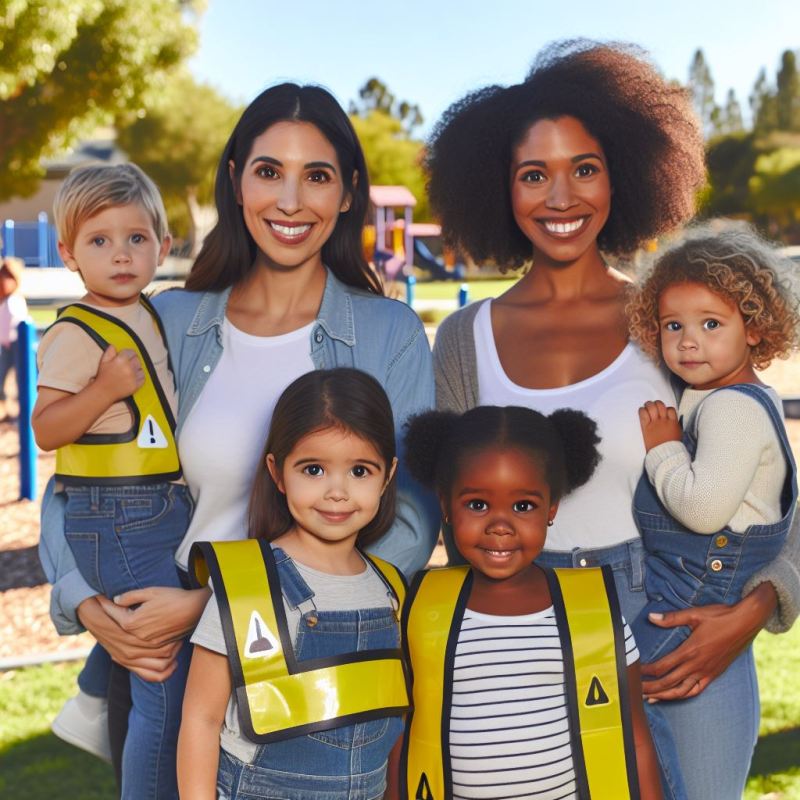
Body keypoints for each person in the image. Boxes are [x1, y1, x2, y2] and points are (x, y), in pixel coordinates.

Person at [38, 82, 438, 791]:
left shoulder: (389, 333)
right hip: (161, 660)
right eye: (267, 171)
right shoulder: (170, 321)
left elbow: (407, 524)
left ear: (347, 193)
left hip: (311, 684)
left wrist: (219, 606)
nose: (289, 200)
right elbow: (80, 478)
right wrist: (88, 603)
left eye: (316, 175)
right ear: (235, 181)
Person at [428, 40, 800, 800]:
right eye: (534, 174)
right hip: (513, 631)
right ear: (500, 190)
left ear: (622, 175)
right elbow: (438, 506)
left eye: (585, 169)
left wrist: (758, 608)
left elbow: (778, 487)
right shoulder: (463, 343)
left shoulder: (674, 327)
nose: (561, 197)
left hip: (672, 628)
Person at [393, 405, 661, 800]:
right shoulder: (421, 613)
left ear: (551, 507)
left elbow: (634, 738)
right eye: (477, 504)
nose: (500, 524)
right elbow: (401, 738)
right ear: (446, 504)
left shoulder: (592, 614)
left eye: (523, 506)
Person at [33, 163, 192, 795]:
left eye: (135, 239)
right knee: (162, 671)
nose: (120, 255)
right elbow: (46, 429)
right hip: (121, 511)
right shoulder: (77, 333)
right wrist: (103, 388)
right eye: (99, 241)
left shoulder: (151, 313)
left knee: (147, 624)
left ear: (163, 246)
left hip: (156, 506)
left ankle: (92, 698)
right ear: (69, 252)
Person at [625, 223, 800, 794]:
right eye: (673, 325)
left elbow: (701, 510)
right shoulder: (720, 397)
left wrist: (663, 448)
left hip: (695, 600)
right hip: (691, 591)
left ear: (755, 330)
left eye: (710, 324)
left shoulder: (732, 409)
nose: (688, 341)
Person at [178, 368, 408, 799]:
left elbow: (393, 724)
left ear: (388, 475)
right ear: (278, 473)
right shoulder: (249, 584)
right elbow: (200, 718)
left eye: (360, 471)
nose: (336, 491)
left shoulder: (391, 589)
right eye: (314, 469)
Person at [0, 243, 29, 420]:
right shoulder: (3, 301)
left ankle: (25, 410)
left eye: (7, 279)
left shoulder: (15, 300)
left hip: (18, 344)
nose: (4, 283)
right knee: (2, 376)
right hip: (5, 346)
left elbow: (19, 322)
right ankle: (4, 407)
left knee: (22, 378)